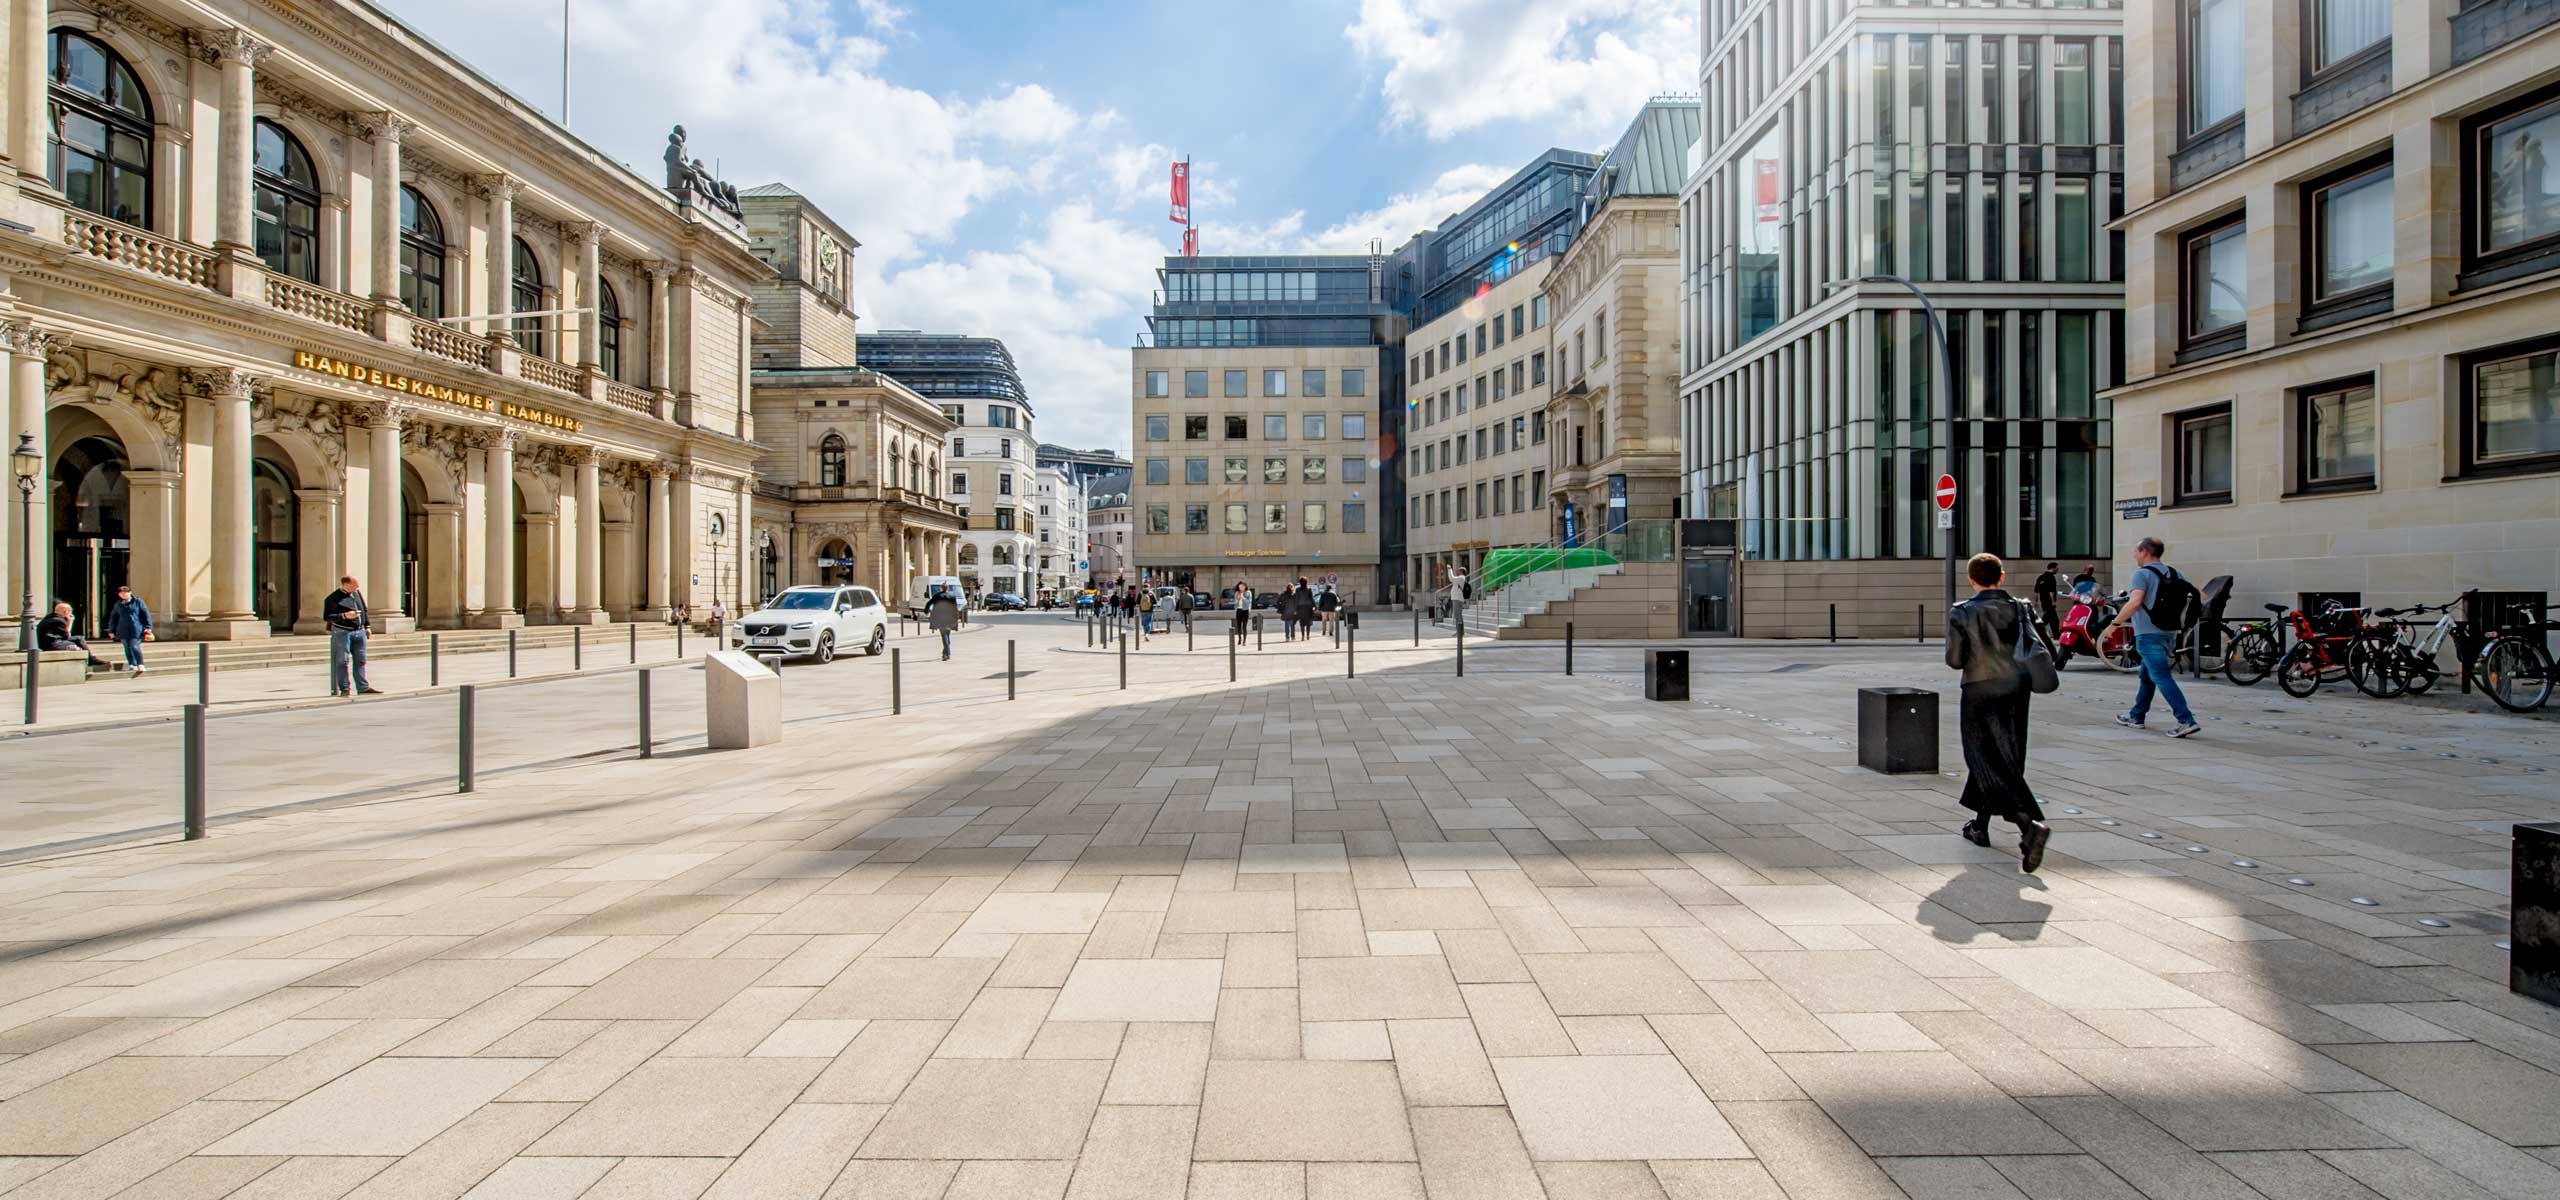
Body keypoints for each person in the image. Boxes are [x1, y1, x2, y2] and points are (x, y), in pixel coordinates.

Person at [1945, 552, 2054, 873]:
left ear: (1971, 579)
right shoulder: (2021, 608)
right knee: (2005, 754)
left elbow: (1954, 660)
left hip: (1980, 689)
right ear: (2001, 577)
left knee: (1983, 757)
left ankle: (2028, 825)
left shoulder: (1963, 612)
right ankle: (1980, 827)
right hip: (2016, 689)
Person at [2103, 537, 2201, 738]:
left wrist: (2114, 625)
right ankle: (2137, 716)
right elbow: (2198, 596)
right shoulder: (2175, 573)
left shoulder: (2142, 574)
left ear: (2144, 551)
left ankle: (2186, 719)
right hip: (2169, 633)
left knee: (2161, 676)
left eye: (2136, 551)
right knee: (2147, 676)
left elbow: (2135, 602)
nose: (2134, 555)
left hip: (2148, 634)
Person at [322, 575, 378, 696]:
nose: (357, 587)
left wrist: (367, 626)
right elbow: (327, 617)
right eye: (354, 585)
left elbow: (364, 609)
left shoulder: (356, 593)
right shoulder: (333, 598)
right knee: (342, 660)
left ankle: (363, 687)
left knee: (360, 659)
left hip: (360, 631)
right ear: (346, 584)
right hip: (342, 632)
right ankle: (345, 688)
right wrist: (345, 616)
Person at [36, 601, 109, 670]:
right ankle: (91, 660)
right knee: (76, 643)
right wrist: (70, 622)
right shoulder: (59, 620)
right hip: (52, 644)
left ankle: (91, 659)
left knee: (79, 638)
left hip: (46, 643)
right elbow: (66, 636)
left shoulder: (49, 617)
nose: (71, 612)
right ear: (65, 612)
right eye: (70, 611)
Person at [106, 584, 154, 674]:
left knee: (134, 646)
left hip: (136, 628)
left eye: (125, 593)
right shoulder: (118, 604)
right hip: (122, 629)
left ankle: (140, 664)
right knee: (127, 648)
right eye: (121, 593)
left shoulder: (138, 601)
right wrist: (111, 630)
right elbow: (113, 617)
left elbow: (146, 614)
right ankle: (132, 664)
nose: (123, 595)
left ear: (130, 593)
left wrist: (148, 627)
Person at [927, 586, 962, 661]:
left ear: (941, 588)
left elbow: (929, 603)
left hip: (940, 618)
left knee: (944, 636)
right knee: (947, 635)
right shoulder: (952, 596)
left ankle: (947, 654)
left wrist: (926, 611)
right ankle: (945, 653)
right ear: (947, 588)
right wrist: (957, 617)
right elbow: (955, 608)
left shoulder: (937, 596)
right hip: (950, 618)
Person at [2032, 562, 2061, 637]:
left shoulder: (2041, 577)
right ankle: (2036, 629)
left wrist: (2036, 601)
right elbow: (2051, 591)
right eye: (2057, 568)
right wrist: (2052, 602)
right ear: (2053, 568)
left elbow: (2036, 591)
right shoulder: (2051, 577)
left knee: (2052, 619)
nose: (2058, 570)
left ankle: (2056, 635)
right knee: (2049, 618)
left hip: (2043, 601)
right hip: (2049, 601)